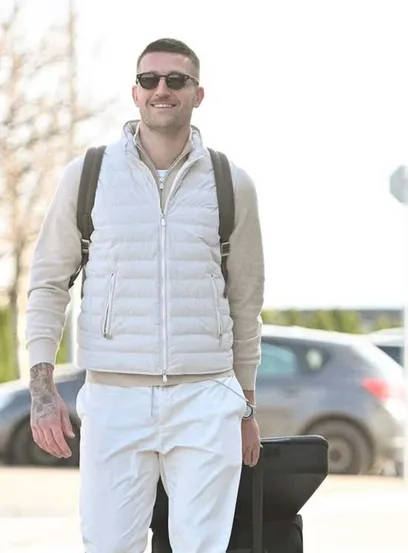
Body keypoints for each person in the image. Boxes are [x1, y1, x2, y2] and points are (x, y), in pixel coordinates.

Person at [24, 38, 266, 552]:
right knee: (108, 545)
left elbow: (246, 301)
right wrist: (42, 393)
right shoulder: (88, 176)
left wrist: (246, 407)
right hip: (115, 398)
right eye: (149, 80)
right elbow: (48, 283)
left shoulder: (231, 183)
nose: (162, 89)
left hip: (206, 398)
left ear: (198, 93)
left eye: (176, 80)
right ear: (135, 92)